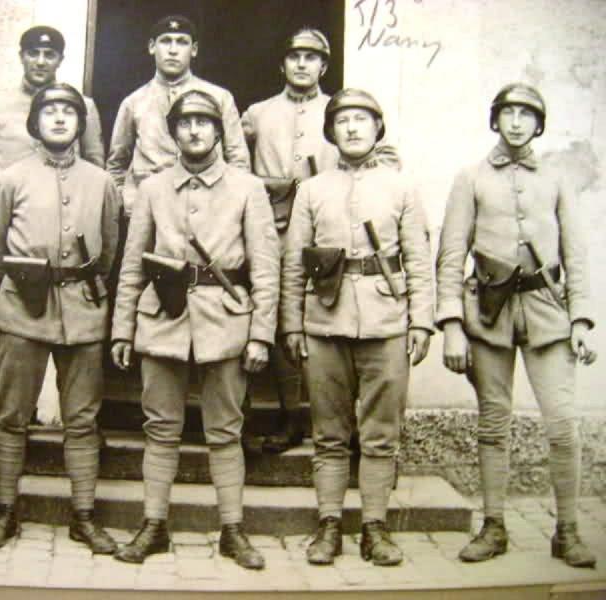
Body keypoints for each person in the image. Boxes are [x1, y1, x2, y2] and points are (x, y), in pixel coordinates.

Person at [110, 90, 279, 569]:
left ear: (220, 132)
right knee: (160, 427)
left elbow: (266, 267)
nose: (194, 130)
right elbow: (132, 264)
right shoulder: (153, 188)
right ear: (173, 132)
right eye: (184, 123)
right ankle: (153, 525)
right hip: (162, 318)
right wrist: (123, 328)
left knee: (225, 429)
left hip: (225, 319)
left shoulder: (247, 188)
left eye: (204, 122)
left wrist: (261, 334)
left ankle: (233, 530)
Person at [436, 83, 597, 568]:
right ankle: (494, 526)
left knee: (563, 424)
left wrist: (581, 319)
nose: (517, 122)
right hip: (488, 312)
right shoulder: (470, 178)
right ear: (495, 120)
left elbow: (576, 254)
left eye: (527, 115)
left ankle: (567, 530)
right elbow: (451, 254)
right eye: (508, 113)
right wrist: (451, 323)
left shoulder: (556, 179)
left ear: (539, 124)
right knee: (493, 422)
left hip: (547, 311)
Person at [280, 89, 433, 566]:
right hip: (325, 322)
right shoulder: (312, 190)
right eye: (342, 120)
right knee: (328, 432)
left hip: (387, 322)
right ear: (331, 131)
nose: (351, 128)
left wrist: (422, 322)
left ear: (377, 128)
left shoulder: (402, 188)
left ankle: (374, 527)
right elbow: (293, 264)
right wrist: (292, 324)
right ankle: (329, 524)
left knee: (381, 433)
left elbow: (418, 260)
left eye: (361, 119)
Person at [0, 83, 120, 553]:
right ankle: (4, 511)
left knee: (82, 418)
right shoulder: (10, 180)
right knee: (12, 415)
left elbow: (109, 252)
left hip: (83, 310)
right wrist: (16, 295)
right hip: (23, 307)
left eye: (68, 112)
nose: (59, 119)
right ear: (34, 123)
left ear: (80, 124)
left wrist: (83, 289)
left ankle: (84, 515)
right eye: (50, 111)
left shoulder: (101, 182)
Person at [240, 27, 339, 454]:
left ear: (323, 66)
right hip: (270, 227)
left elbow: (382, 156)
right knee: (276, 314)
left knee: (319, 313)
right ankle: (289, 415)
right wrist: (267, 186)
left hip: (324, 231)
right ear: (282, 64)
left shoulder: (340, 111)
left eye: (311, 57)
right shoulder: (258, 113)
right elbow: (231, 162)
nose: (302, 64)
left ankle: (332, 419)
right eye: (295, 56)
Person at [0, 25, 105, 229]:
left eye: (49, 55)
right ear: (22, 56)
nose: (40, 62)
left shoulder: (83, 106)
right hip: (6, 217)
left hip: (60, 219)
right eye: (33, 53)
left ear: (61, 59)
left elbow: (95, 166)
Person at [106, 14, 250, 217]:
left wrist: (228, 206)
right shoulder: (134, 102)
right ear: (152, 47)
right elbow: (116, 165)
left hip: (207, 209)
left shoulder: (219, 98)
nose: (173, 50)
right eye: (166, 41)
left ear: (194, 50)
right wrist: (128, 202)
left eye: (182, 42)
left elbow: (238, 161)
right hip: (149, 210)